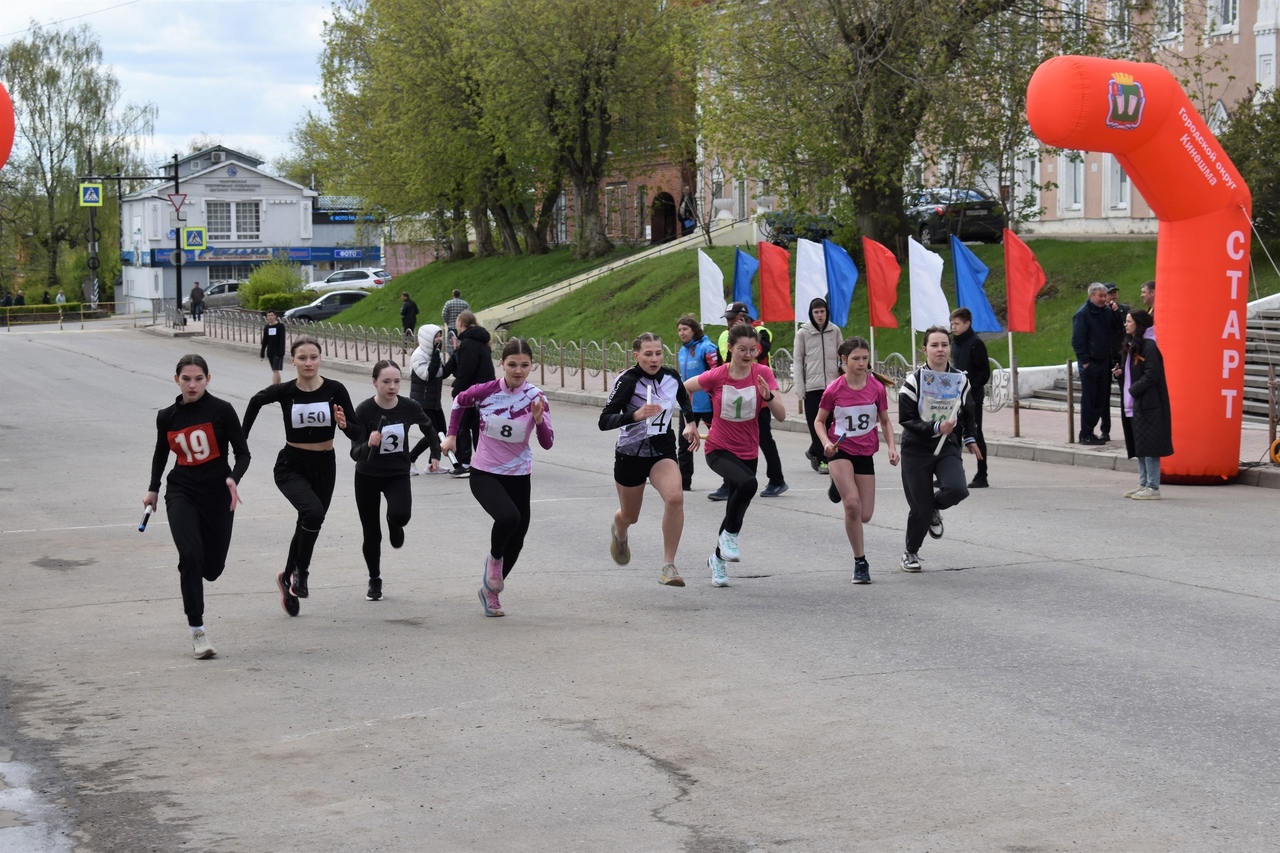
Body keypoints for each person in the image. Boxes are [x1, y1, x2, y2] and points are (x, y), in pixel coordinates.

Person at [242, 336, 362, 617]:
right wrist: (241, 439)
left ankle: (287, 577)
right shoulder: (284, 391)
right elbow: (255, 401)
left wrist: (345, 425)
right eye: (302, 358)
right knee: (312, 512)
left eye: (313, 357)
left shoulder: (335, 390)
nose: (308, 362)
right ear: (292, 361)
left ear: (320, 359)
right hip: (291, 465)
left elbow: (358, 432)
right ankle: (301, 574)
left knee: (310, 519)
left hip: (324, 464)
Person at [143, 354, 250, 659]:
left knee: (212, 569)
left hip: (218, 493)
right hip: (182, 490)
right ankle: (197, 631)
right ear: (176, 379)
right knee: (190, 555)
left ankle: (201, 573)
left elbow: (243, 454)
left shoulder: (222, 410)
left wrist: (233, 478)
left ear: (208, 379)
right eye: (186, 379)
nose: (192, 384)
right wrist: (153, 488)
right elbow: (161, 453)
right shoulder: (167, 416)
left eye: (198, 378)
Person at [441, 338, 554, 617]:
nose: (518, 371)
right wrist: (453, 435)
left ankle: (491, 592)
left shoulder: (536, 397)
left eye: (524, 365)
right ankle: (494, 561)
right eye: (512, 364)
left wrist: (539, 420)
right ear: (501, 364)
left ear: (531, 366)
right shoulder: (486, 391)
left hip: (519, 474)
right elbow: (458, 402)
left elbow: (548, 442)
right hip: (485, 472)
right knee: (508, 518)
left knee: (518, 536)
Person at [683, 323, 787, 587]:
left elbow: (782, 415)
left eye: (753, 349)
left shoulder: (762, 373)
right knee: (749, 484)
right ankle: (729, 536)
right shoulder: (717, 375)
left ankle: (717, 559)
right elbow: (685, 387)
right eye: (742, 349)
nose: (748, 354)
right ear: (730, 348)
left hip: (748, 451)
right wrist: (690, 422)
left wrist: (769, 396)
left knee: (735, 508)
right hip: (718, 448)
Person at [600, 332, 697, 587]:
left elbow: (685, 402)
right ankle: (620, 531)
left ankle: (668, 566)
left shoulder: (671, 376)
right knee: (630, 516)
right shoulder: (628, 380)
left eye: (658, 353)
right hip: (630, 453)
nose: (654, 359)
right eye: (648, 354)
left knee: (675, 497)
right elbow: (604, 420)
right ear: (636, 356)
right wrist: (635, 415)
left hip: (661, 451)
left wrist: (691, 424)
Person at [350, 360, 441, 600]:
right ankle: (374, 579)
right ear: (374, 382)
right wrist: (368, 443)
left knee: (401, 515)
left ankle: (394, 522)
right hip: (367, 475)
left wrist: (435, 453)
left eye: (397, 382)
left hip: (397, 473)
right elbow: (354, 451)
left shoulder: (409, 407)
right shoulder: (364, 410)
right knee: (371, 534)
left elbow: (428, 427)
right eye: (386, 382)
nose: (392, 387)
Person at [897, 326, 982, 573]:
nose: (940, 350)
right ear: (924, 349)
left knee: (957, 489)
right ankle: (910, 552)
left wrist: (969, 437)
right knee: (920, 509)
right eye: (934, 345)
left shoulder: (959, 380)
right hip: (916, 448)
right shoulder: (913, 382)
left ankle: (935, 508)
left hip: (946, 447)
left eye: (944, 344)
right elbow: (906, 419)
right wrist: (936, 426)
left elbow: (969, 412)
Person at [814, 337, 899, 583]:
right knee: (852, 504)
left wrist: (892, 448)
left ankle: (839, 484)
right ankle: (860, 561)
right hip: (840, 449)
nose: (862, 363)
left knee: (865, 515)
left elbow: (884, 421)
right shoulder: (834, 389)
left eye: (865, 358)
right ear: (843, 360)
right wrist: (826, 444)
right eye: (856, 359)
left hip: (865, 451)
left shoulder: (876, 388)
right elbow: (820, 421)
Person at [715, 302, 787, 498]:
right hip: (733, 394)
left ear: (743, 317)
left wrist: (747, 331)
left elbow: (761, 351)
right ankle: (727, 483)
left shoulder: (762, 331)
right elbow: (724, 361)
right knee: (727, 440)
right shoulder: (724, 336)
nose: (729, 322)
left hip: (759, 396)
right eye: (728, 319)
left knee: (764, 439)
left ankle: (776, 479)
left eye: (733, 318)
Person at [1115, 310, 1173, 500]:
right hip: (1133, 405)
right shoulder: (1131, 346)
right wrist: (1120, 375)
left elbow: (1152, 374)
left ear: (1138, 324)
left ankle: (1153, 487)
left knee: (1150, 447)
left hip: (1148, 404)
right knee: (1140, 445)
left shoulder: (1148, 346)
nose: (1125, 324)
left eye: (1129, 321)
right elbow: (1132, 373)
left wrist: (1133, 389)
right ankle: (1143, 483)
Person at [441, 310, 495, 476]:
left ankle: (464, 463)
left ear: (460, 324)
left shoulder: (469, 343)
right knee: (477, 426)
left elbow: (467, 370)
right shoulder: (479, 341)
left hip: (473, 392)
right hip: (485, 390)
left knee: (463, 426)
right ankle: (482, 462)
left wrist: (457, 390)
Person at [794, 296, 843, 475]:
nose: (820, 315)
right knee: (816, 422)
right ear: (811, 313)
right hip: (812, 387)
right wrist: (800, 388)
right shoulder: (803, 333)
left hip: (832, 386)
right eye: (816, 312)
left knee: (830, 423)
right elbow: (798, 361)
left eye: (822, 311)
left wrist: (848, 379)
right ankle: (821, 459)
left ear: (827, 312)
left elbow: (842, 356)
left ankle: (815, 452)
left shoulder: (834, 330)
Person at [1071, 282, 1122, 445]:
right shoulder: (1083, 314)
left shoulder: (1106, 312)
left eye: (1104, 296)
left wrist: (1115, 314)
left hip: (1104, 362)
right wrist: (1085, 361)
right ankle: (1085, 433)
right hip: (1091, 364)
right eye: (1100, 296)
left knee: (1101, 400)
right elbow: (1078, 341)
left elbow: (1117, 330)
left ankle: (1091, 432)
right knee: (1090, 400)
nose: (1103, 299)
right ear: (1091, 296)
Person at [675, 314, 720, 491]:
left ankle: (728, 481)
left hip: (708, 405)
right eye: (679, 330)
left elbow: (716, 375)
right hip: (688, 405)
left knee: (719, 442)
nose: (682, 333)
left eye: (685, 329)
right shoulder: (683, 350)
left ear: (694, 330)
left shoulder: (707, 348)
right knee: (684, 444)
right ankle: (684, 482)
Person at [949, 308, 991, 488]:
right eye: (952, 324)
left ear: (967, 324)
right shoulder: (954, 343)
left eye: (957, 324)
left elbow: (984, 373)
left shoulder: (976, 344)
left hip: (972, 398)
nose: (954, 327)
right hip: (954, 397)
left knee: (975, 433)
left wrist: (968, 386)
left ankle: (982, 475)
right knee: (953, 434)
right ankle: (953, 473)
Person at [408, 323, 448, 475]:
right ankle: (410, 459)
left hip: (435, 402)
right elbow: (428, 375)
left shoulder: (434, 353)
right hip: (422, 403)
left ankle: (432, 465)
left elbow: (442, 373)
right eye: (436, 336)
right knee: (432, 433)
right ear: (427, 339)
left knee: (441, 433)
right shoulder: (419, 355)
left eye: (439, 336)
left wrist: (458, 355)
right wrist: (436, 357)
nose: (439, 339)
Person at [260, 310, 287, 385]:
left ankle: (274, 386)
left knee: (276, 369)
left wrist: (281, 352)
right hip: (270, 352)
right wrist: (262, 352)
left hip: (278, 352)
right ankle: (278, 385)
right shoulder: (267, 327)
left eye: (271, 315)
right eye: (268, 316)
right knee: (275, 370)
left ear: (275, 316)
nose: (270, 317)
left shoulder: (280, 326)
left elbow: (282, 339)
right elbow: (265, 340)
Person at [441, 289, 470, 358]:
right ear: (459, 295)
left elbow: (444, 314)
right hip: (462, 327)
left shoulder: (448, 303)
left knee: (451, 344)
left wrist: (447, 321)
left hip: (451, 326)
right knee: (462, 342)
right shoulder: (465, 303)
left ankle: (452, 357)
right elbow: (469, 314)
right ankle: (462, 355)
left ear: (453, 295)